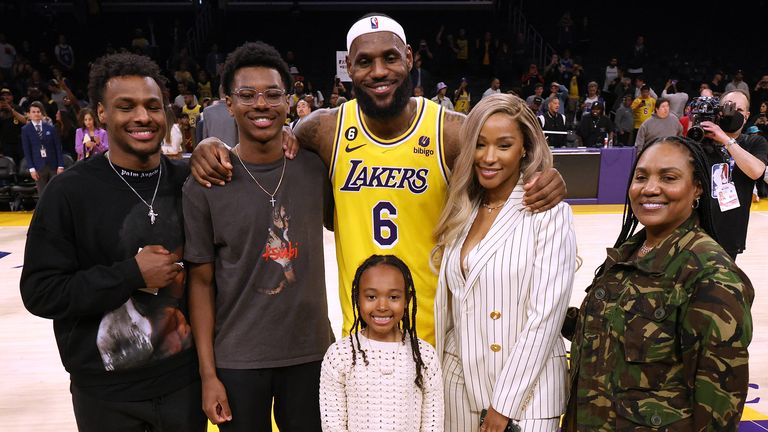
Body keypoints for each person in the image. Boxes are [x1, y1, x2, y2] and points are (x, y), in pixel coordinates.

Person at [189, 13, 566, 345]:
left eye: (390, 58)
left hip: (439, 331)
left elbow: (506, 158)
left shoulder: (450, 131)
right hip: (361, 332)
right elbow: (265, 145)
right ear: (348, 68)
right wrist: (211, 143)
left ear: (409, 59)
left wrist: (546, 176)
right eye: (365, 62)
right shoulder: (322, 130)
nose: (379, 71)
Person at [19, 52, 206, 432]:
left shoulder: (189, 179)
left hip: (184, 385)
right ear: (102, 114)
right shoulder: (68, 192)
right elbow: (40, 292)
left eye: (153, 106)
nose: (143, 116)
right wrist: (131, 274)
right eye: (126, 106)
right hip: (106, 395)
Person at [183, 41, 333, 431]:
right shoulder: (205, 182)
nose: (261, 105)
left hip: (311, 354)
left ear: (289, 100)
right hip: (237, 360)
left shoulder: (315, 167)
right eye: (247, 95)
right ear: (228, 104)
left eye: (272, 94)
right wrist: (208, 375)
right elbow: (200, 283)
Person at [562, 136, 754, 431]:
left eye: (669, 177)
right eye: (641, 177)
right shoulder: (629, 252)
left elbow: (717, 407)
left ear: (698, 188)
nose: (650, 188)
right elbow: (620, 335)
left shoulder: (710, 274)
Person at [432, 94, 575, 432]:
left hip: (528, 395)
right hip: (460, 386)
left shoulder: (549, 212)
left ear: (525, 147)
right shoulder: (461, 208)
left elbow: (546, 317)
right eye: (480, 145)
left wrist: (503, 406)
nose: (489, 157)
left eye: (504, 145)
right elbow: (450, 312)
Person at [320, 255, 443, 431]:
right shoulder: (340, 355)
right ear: (357, 298)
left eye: (393, 297)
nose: (382, 306)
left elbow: (433, 423)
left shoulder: (424, 355)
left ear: (407, 300)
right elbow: (333, 424)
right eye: (371, 297)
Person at [700, 90, 768, 259]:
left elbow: (756, 171)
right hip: (695, 231)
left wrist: (725, 139)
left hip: (729, 234)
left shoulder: (754, 142)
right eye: (729, 107)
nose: (733, 114)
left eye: (739, 110)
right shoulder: (702, 141)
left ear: (747, 115)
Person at [21, 101, 64, 196]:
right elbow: (27, 151)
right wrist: (32, 169)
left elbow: (58, 147)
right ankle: (45, 211)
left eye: (38, 111)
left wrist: (60, 165)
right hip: (38, 166)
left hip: (53, 165)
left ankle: (55, 211)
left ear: (42, 113)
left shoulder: (50, 128)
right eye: (34, 112)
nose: (36, 114)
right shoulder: (25, 130)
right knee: (42, 195)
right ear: (29, 114)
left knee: (56, 193)